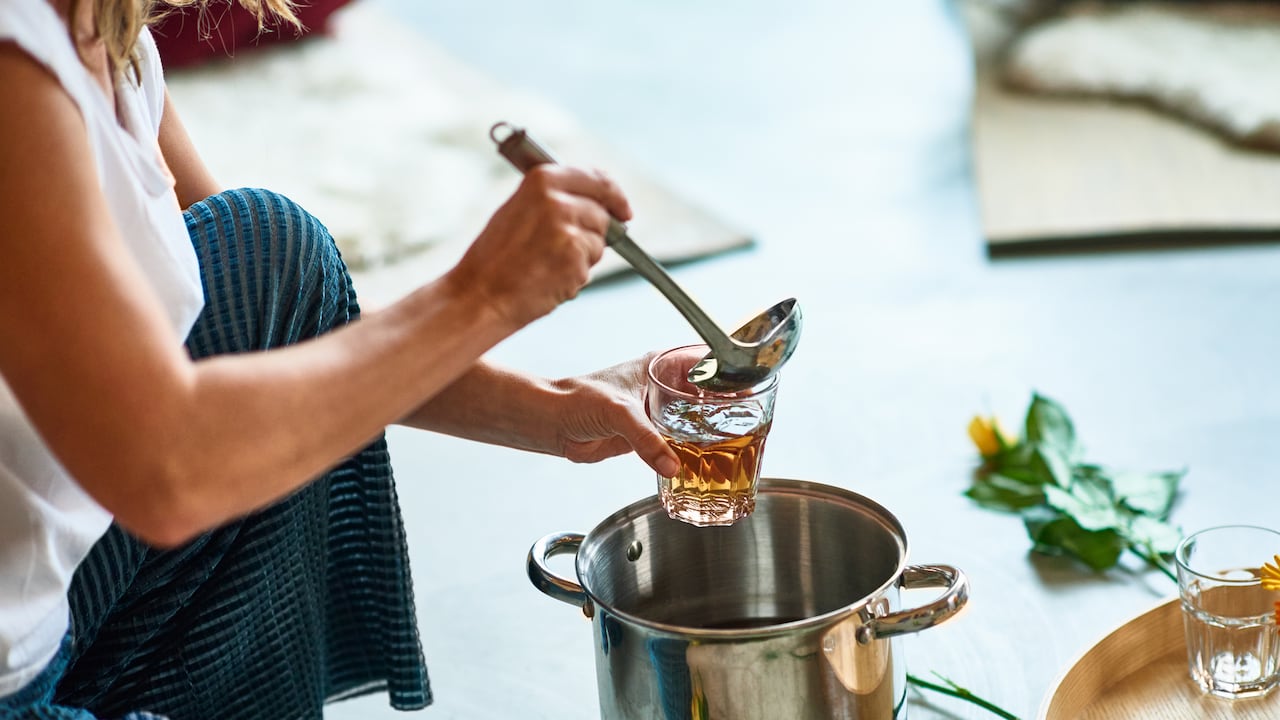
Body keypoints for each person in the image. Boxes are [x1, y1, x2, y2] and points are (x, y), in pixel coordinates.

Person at [0, 0, 681, 717]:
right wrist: (479, 297)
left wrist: (547, 405)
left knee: (271, 250)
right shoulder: (16, 71)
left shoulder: (108, 36)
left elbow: (286, 327)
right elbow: (165, 470)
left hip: (48, 598)